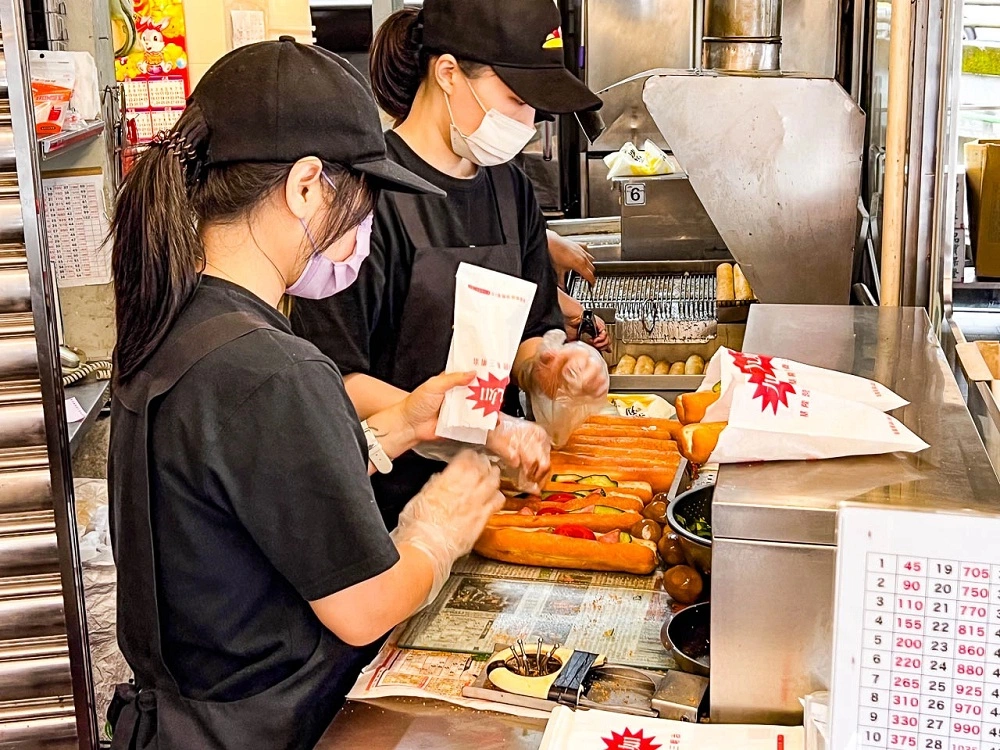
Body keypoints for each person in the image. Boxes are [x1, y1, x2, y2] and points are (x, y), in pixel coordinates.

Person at [106, 39, 505, 749]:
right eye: (363, 203)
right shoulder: (271, 369)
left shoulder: (177, 325)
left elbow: (246, 497)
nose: (363, 232)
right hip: (262, 732)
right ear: (306, 186)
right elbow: (363, 608)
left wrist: (397, 430)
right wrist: (436, 530)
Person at [291, 0, 611, 527]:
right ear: (447, 74)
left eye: (534, 109)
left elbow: (533, 332)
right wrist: (473, 425)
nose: (525, 123)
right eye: (514, 100)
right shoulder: (363, 198)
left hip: (498, 495)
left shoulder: (510, 187)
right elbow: (335, 379)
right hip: (389, 505)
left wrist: (551, 368)